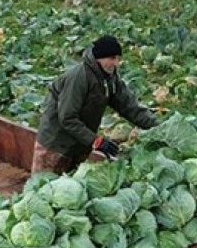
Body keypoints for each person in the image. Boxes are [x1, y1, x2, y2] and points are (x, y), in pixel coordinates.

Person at [32, 35, 158, 175]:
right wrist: (96, 141)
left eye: (117, 58)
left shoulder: (110, 78)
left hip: (80, 144)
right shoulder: (79, 77)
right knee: (44, 188)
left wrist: (159, 128)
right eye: (111, 58)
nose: (116, 63)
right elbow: (67, 117)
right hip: (56, 144)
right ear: (99, 58)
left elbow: (129, 106)